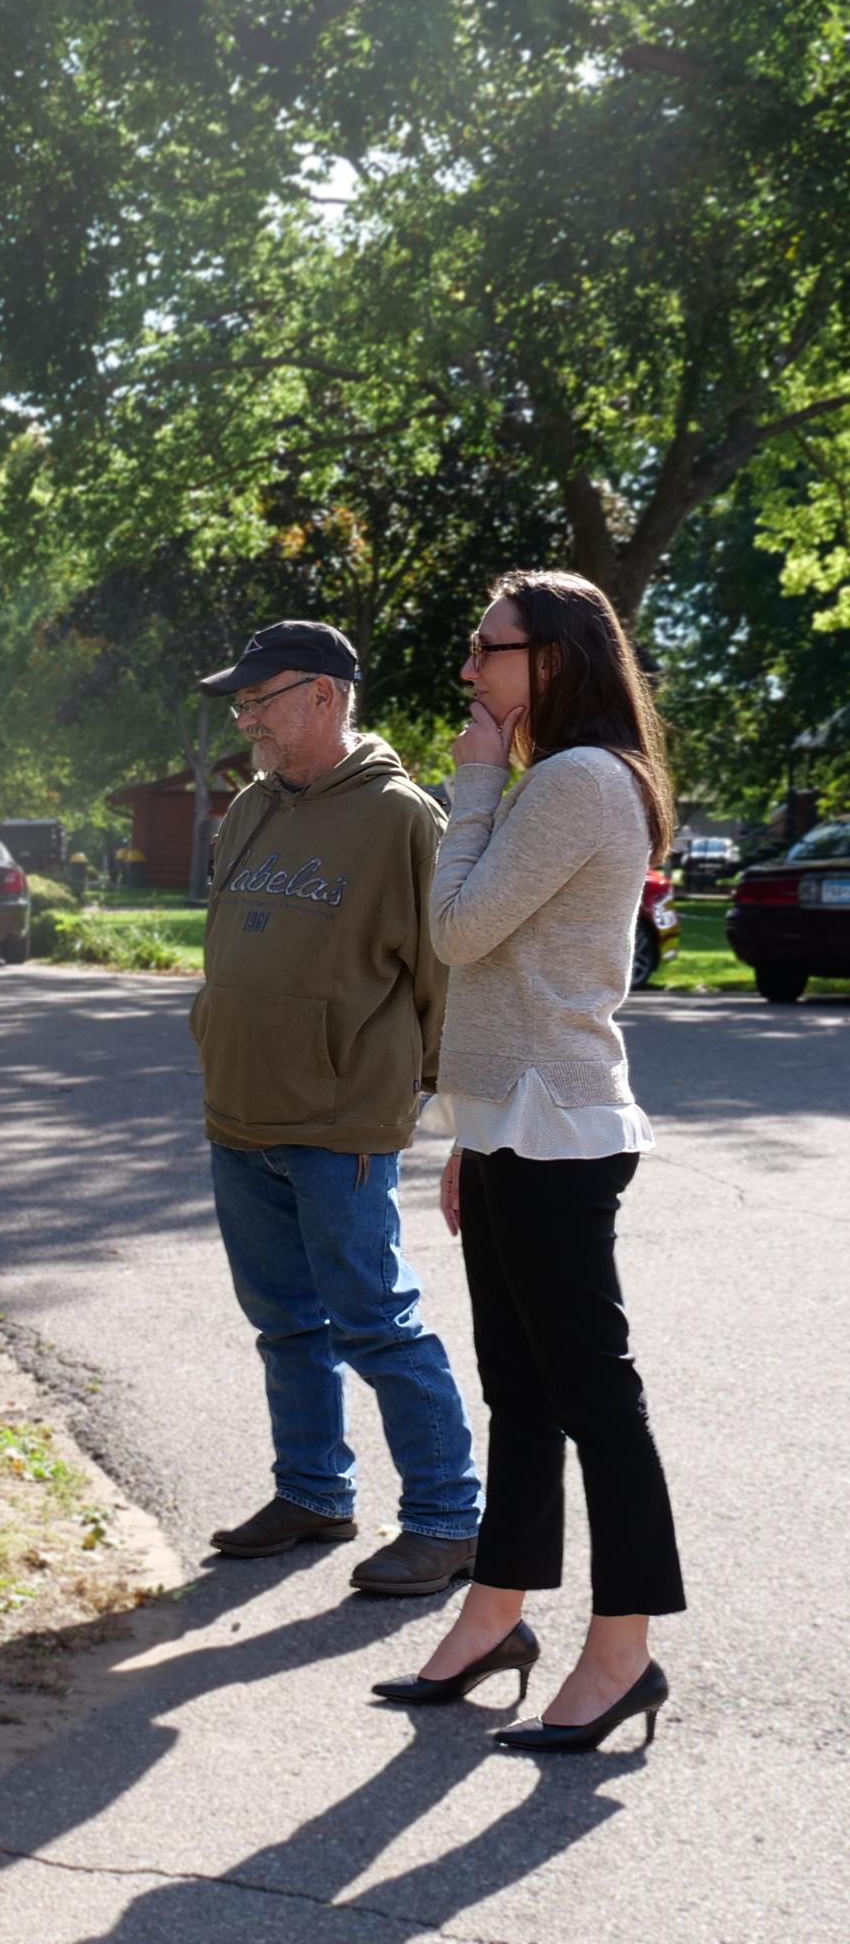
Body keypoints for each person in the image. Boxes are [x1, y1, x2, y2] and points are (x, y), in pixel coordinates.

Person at [373, 570, 683, 1752]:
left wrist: (469, 780)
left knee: (594, 1400)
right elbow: (494, 968)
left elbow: (457, 931)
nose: (469, 670)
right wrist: (469, 1128)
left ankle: (622, 1656)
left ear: (549, 658)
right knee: (518, 1393)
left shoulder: (571, 780)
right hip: (511, 1119)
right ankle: (493, 1617)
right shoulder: (559, 780)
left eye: (485, 649)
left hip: (554, 1124)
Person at [192, 621, 482, 1595]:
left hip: (338, 1126)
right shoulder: (248, 810)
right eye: (239, 704)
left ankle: (448, 1520)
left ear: (321, 696)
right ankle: (312, 1490)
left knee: (374, 1323)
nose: (244, 721)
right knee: (282, 1322)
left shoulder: (401, 817)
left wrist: (461, 1128)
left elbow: (446, 980)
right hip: (239, 1116)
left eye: (257, 701)